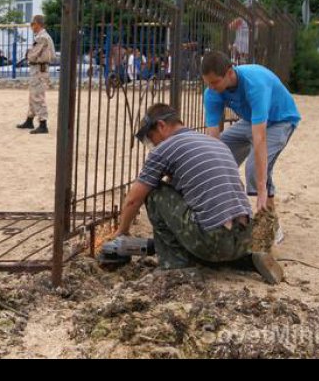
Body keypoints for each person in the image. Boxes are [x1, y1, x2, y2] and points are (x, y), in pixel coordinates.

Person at [112, 103, 284, 284]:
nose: (153, 144)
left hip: (211, 242)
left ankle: (175, 265)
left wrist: (121, 233)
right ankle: (248, 259)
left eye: (151, 137)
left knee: (154, 192)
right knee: (210, 223)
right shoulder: (216, 143)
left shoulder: (165, 148)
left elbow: (133, 200)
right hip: (245, 237)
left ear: (161, 125)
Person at [201, 51, 301, 244]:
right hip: (250, 121)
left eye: (215, 82)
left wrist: (261, 189)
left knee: (254, 169)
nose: (211, 88)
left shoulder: (254, 84)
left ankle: (270, 224)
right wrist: (219, 169)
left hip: (280, 120)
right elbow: (213, 139)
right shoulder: (212, 93)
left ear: (230, 73)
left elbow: (260, 137)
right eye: (208, 83)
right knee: (218, 156)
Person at [17, 15, 55, 134]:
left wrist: (28, 54)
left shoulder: (42, 37)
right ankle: (29, 120)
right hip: (39, 68)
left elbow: (32, 55)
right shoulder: (43, 36)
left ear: (38, 24)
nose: (31, 26)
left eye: (32, 24)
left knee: (37, 96)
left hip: (39, 68)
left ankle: (43, 123)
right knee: (33, 94)